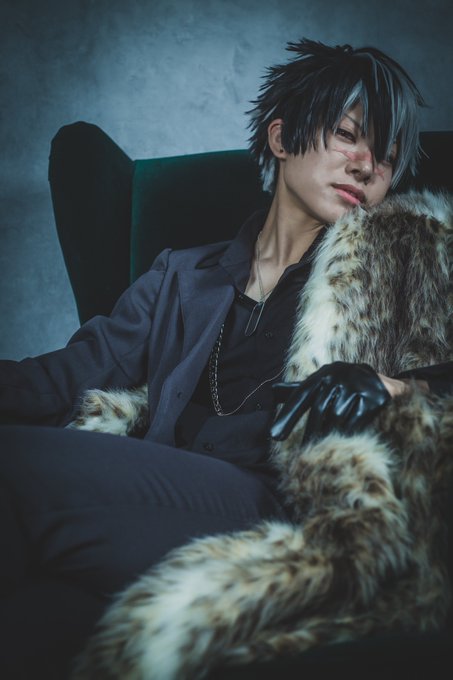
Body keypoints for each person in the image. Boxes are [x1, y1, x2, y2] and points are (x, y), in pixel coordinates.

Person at [1, 39, 451, 679]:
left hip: (286, 512)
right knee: (31, 626)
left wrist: (394, 387)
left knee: (15, 465)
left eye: (386, 155)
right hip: (157, 497)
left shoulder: (403, 265)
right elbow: (62, 376)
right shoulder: (180, 276)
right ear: (281, 138)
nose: (365, 165)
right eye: (349, 136)